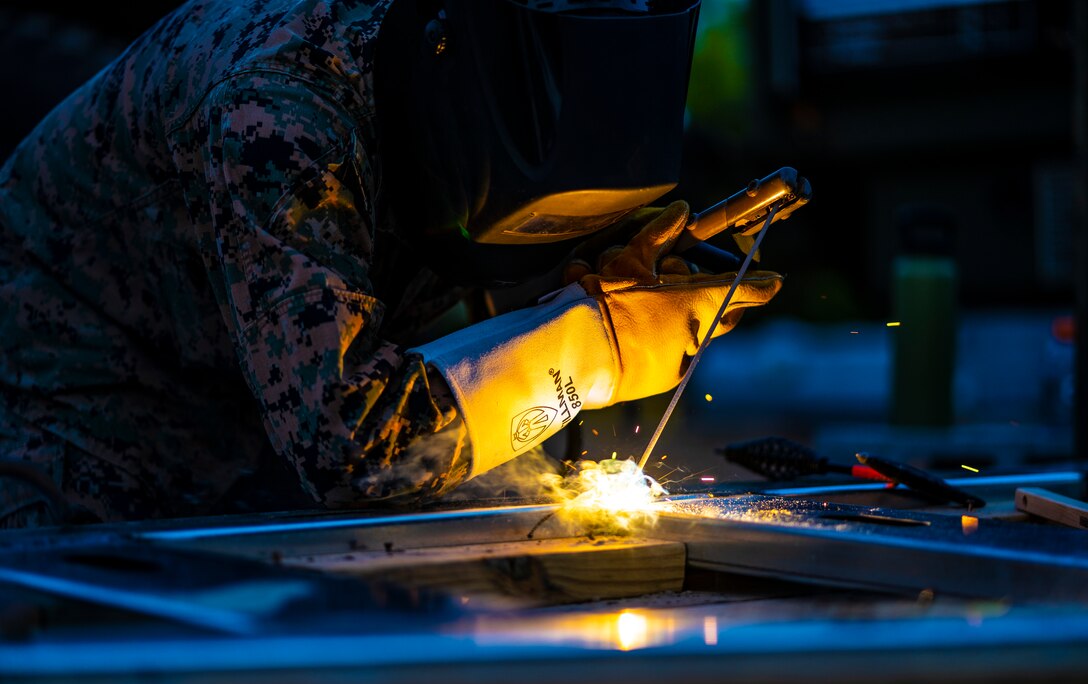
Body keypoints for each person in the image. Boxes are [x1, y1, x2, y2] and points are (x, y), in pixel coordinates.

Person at [0, 0, 781, 527]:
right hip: (71, 401)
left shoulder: (485, 70)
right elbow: (352, 443)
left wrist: (588, 264)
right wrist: (588, 351)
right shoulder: (279, 126)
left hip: (249, 392)